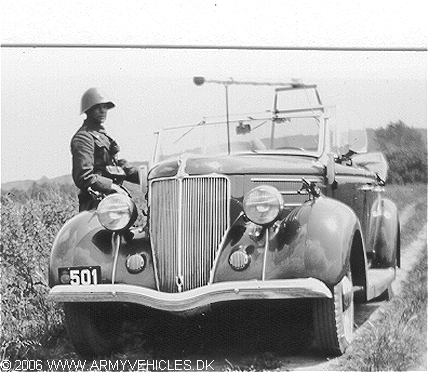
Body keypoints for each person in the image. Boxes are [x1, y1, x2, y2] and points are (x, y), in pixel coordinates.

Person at [71, 87, 139, 211]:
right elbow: (84, 177)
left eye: (105, 107)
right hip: (95, 204)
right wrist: (112, 187)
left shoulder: (102, 136)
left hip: (111, 201)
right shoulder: (83, 137)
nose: (103, 111)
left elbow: (115, 166)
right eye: (98, 107)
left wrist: (145, 176)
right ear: (89, 110)